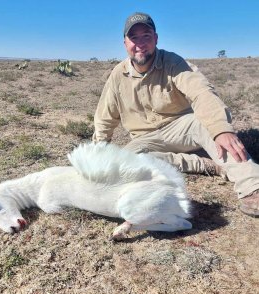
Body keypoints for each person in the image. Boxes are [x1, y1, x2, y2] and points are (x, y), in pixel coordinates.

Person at [92, 12, 259, 217]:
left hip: (182, 128)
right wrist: (99, 149)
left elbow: (202, 92)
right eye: (134, 38)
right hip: (145, 138)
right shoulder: (117, 75)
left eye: (146, 36)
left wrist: (221, 129)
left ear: (156, 39)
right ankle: (204, 164)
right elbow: (104, 117)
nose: (140, 43)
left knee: (206, 125)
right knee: (125, 161)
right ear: (125, 43)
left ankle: (252, 187)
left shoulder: (173, 62)